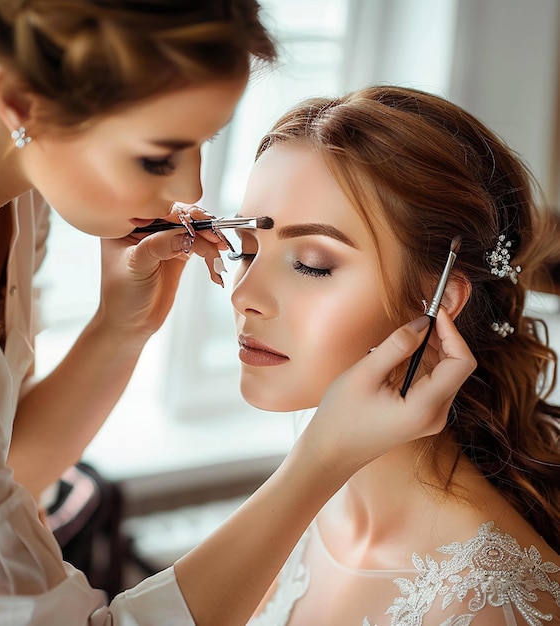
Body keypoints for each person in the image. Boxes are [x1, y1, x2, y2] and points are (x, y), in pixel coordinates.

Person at [0, 3, 476, 625]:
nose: (190, 192)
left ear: (440, 298)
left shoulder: (18, 197)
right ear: (22, 105)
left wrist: (120, 328)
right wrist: (320, 459)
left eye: (312, 264)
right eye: (158, 156)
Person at [226, 86, 560, 625]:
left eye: (312, 263)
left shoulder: (493, 604)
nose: (243, 296)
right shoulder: (298, 511)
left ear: (438, 303)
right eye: (245, 250)